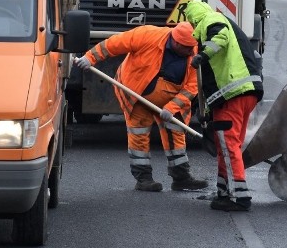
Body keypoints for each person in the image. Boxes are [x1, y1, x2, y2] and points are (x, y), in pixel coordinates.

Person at [74, 22, 209, 192]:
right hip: (135, 93)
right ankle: (144, 179)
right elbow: (115, 43)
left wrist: (172, 107)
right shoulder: (147, 35)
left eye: (193, 48)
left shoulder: (193, 51)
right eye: (187, 49)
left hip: (171, 101)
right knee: (139, 132)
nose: (191, 52)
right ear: (176, 42)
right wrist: (90, 57)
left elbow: (192, 87)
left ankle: (181, 177)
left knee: (176, 132)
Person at [183, 0, 263, 212]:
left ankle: (239, 196)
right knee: (226, 145)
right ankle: (224, 191)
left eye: (191, 22)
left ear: (193, 18)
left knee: (228, 145)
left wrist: (203, 54)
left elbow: (221, 38)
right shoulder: (218, 20)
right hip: (243, 93)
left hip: (233, 93)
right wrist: (206, 113)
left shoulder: (212, 20)